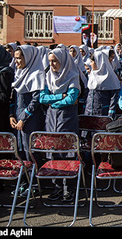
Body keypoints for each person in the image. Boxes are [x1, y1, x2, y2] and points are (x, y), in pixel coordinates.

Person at [40, 47, 82, 202]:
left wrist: (54, 101)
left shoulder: (72, 75)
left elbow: (71, 99)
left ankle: (69, 188)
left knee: (68, 151)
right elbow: (42, 98)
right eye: (50, 61)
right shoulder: (48, 76)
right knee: (53, 150)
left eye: (55, 61)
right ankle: (57, 186)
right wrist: (60, 97)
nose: (52, 65)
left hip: (67, 118)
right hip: (51, 118)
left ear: (62, 61)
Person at [10, 45, 46, 161]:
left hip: (31, 119)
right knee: (19, 149)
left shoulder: (36, 74)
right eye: (15, 58)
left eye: (19, 58)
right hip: (18, 117)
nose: (16, 61)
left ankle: (33, 177)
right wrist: (11, 115)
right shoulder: (19, 74)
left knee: (31, 150)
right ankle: (24, 176)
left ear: (29, 58)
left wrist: (23, 118)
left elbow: (36, 100)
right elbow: (14, 98)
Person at [84, 49, 121, 117]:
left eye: (92, 62)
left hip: (103, 113)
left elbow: (114, 97)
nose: (90, 64)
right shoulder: (92, 75)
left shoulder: (110, 77)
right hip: (89, 112)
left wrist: (111, 113)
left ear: (99, 62)